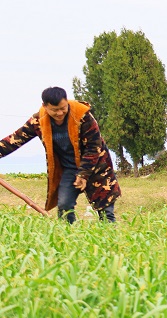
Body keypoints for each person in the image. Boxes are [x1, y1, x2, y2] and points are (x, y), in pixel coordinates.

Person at [0, 87, 121, 223]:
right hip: (69, 168)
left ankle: (110, 239)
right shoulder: (39, 120)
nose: (60, 113)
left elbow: (94, 147)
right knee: (64, 205)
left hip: (96, 166)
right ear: (45, 106)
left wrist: (83, 174)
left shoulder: (82, 115)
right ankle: (68, 237)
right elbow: (15, 139)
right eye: (55, 110)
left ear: (67, 102)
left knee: (105, 210)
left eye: (63, 108)